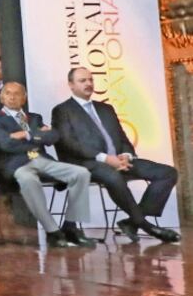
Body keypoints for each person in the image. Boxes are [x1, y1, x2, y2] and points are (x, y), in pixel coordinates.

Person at [52, 67, 181, 243]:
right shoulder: (62, 110)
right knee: (112, 176)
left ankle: (132, 222)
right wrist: (105, 158)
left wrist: (126, 155)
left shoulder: (106, 108)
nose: (89, 83)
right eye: (83, 81)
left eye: (90, 80)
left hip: (119, 161)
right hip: (88, 163)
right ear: (71, 85)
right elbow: (68, 143)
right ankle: (146, 226)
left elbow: (122, 137)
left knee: (168, 173)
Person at [0, 81, 96, 248]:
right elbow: (4, 144)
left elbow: (53, 136)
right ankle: (52, 231)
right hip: (16, 165)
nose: (12, 97)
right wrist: (37, 136)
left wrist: (26, 134)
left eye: (17, 93)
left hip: (42, 160)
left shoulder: (34, 118)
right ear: (1, 97)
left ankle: (70, 227)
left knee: (81, 173)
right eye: (8, 93)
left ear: (24, 98)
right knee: (28, 180)